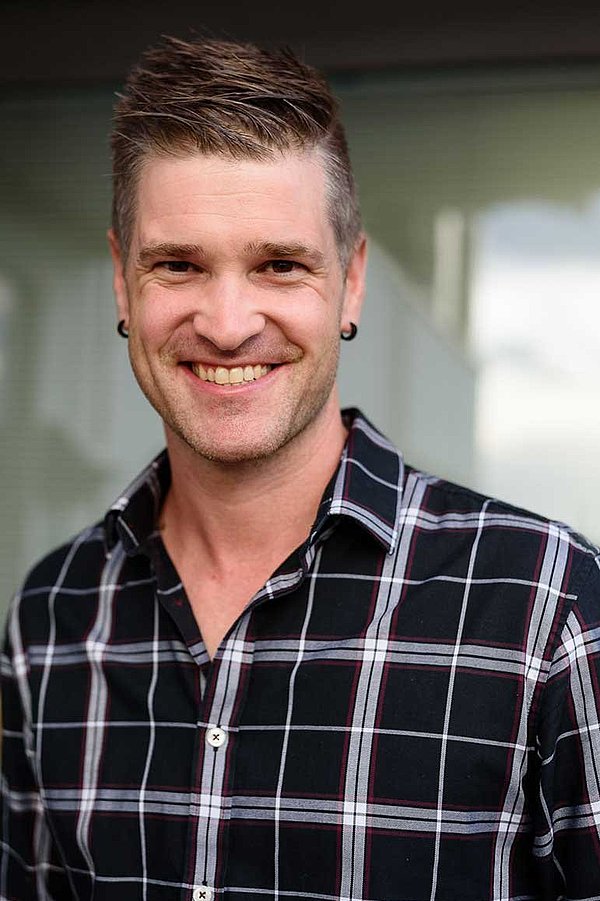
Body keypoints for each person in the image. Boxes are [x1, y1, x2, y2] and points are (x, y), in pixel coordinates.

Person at [2, 33, 600, 901]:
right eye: (179, 265)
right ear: (124, 285)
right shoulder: (52, 618)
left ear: (351, 282)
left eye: (279, 264)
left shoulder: (548, 609)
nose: (228, 323)